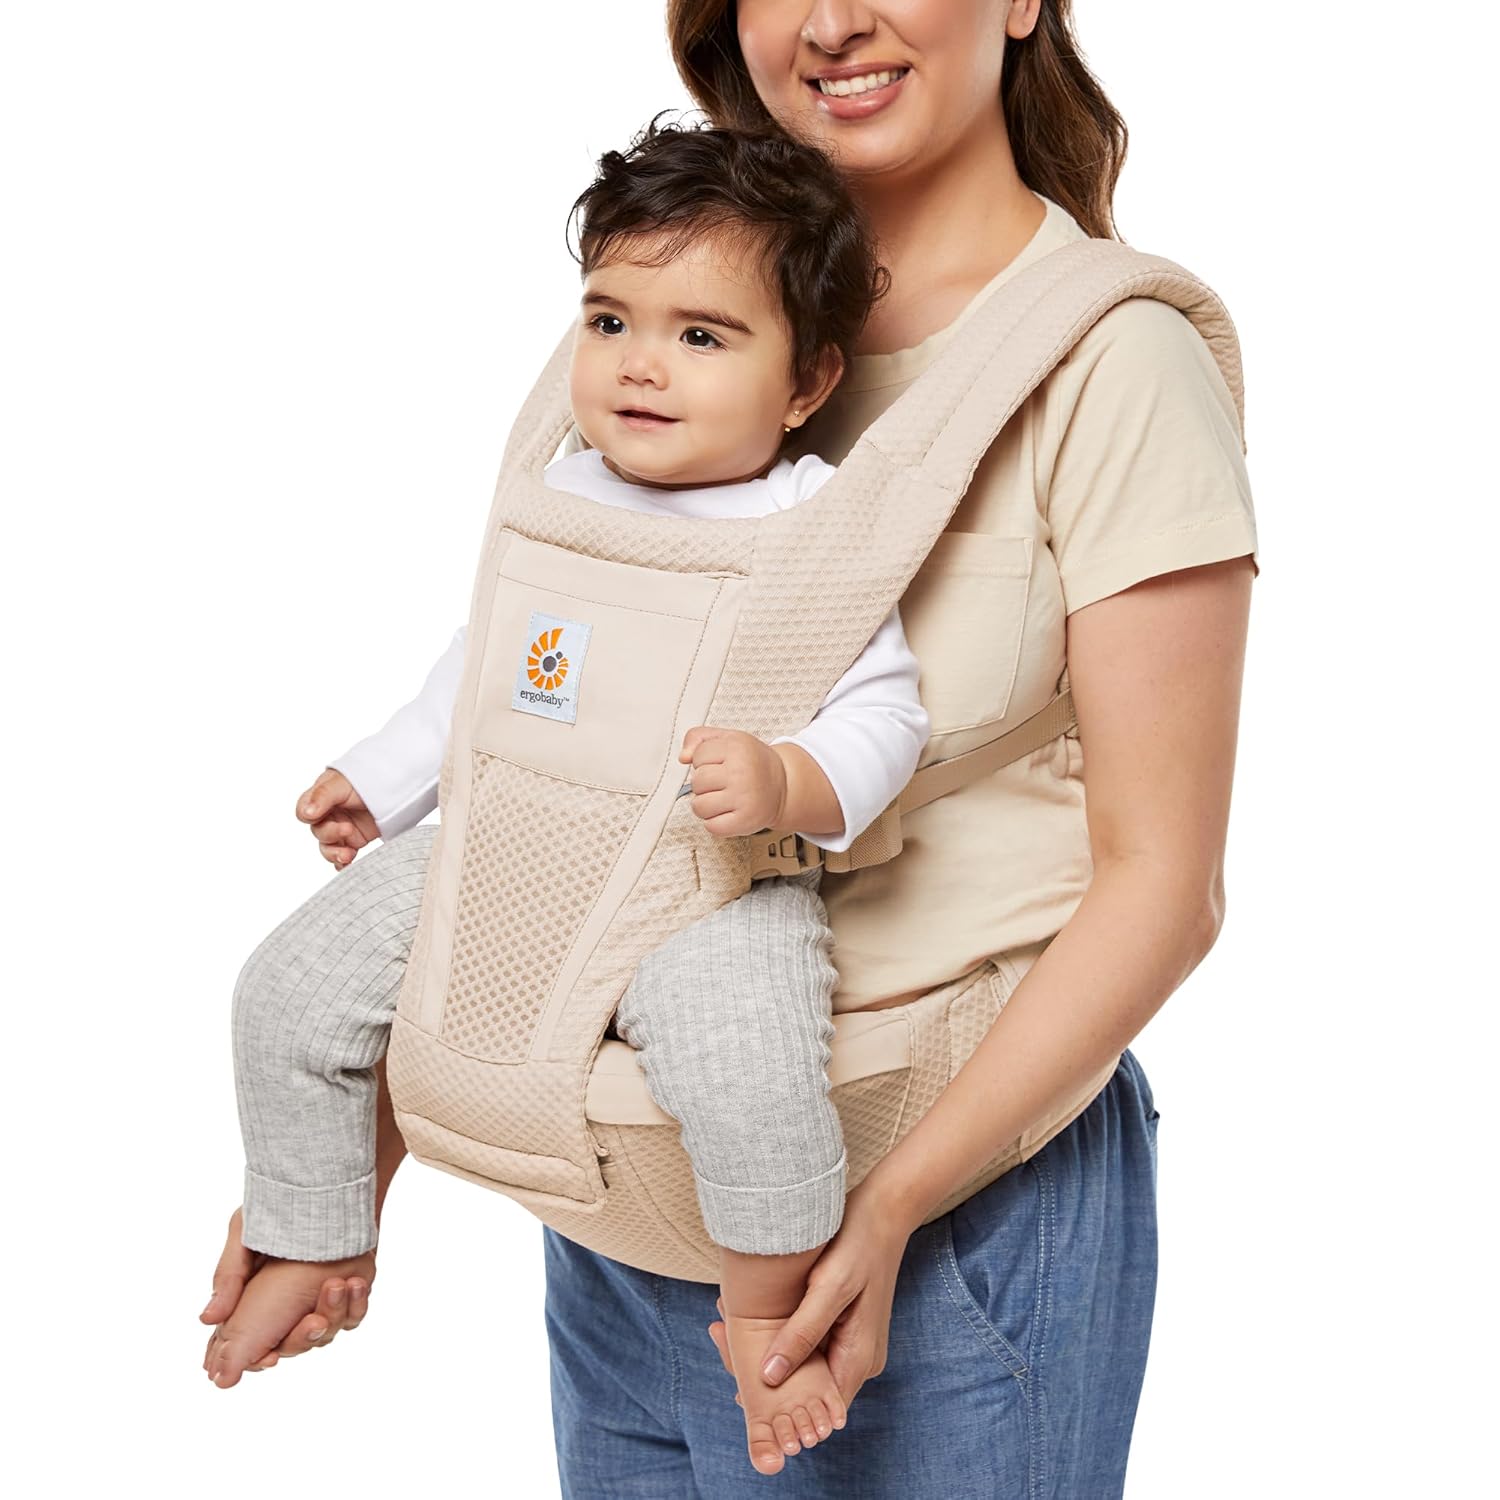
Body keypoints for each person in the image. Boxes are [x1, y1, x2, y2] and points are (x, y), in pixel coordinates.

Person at [201, 2, 1259, 1493]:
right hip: (623, 1217)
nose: (833, 21)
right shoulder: (664, 304)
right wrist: (334, 1180)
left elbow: (1168, 886)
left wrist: (880, 1220)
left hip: (943, 1224)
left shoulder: (1109, 363)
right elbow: (547, 764)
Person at [214, 118, 931, 1464]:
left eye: (702, 336)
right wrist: (385, 781)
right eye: (610, 321)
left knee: (749, 1071)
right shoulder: (561, 489)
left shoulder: (810, 525)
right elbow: (485, 665)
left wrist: (791, 775)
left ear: (805, 382)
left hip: (703, 886)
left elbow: (888, 713)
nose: (639, 364)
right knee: (288, 993)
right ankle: (314, 1236)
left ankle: (766, 1319)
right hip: (509, 848)